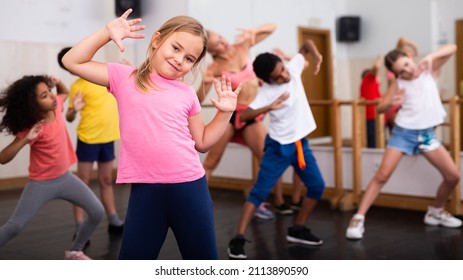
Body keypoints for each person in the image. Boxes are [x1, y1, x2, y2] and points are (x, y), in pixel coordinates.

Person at [62, 9, 240, 260]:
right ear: (157, 40)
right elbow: (72, 62)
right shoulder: (125, 77)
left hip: (190, 189)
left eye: (189, 58)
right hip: (145, 192)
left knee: (203, 262)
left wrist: (224, 114)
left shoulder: (187, 93)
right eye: (176, 48)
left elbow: (202, 142)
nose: (180, 60)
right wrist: (106, 33)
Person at [346, 44, 461, 240]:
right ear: (396, 74)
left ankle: (436, 211)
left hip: (426, 135)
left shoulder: (429, 70)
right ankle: (358, 218)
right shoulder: (398, 83)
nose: (407, 71)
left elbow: (453, 47)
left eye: (407, 64)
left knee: (453, 177)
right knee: (382, 175)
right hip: (403, 134)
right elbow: (380, 108)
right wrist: (391, 102)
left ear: (410, 57)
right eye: (401, 71)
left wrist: (430, 56)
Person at [227, 39, 325, 260]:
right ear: (267, 80)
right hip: (278, 147)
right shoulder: (267, 92)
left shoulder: (293, 68)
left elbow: (307, 44)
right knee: (259, 192)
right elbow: (243, 116)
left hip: (301, 144)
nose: (283, 76)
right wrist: (269, 107)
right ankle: (238, 239)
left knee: (317, 187)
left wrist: (317, 56)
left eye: (281, 70)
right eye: (277, 77)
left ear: (283, 63)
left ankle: (298, 229)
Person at [0, 75, 104, 260]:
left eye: (48, 92)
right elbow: (3, 158)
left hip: (65, 178)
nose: (51, 96)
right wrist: (25, 139)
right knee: (15, 226)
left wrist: (57, 83)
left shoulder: (56, 106)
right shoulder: (32, 127)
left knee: (97, 212)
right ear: (33, 104)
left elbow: (64, 92)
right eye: (44, 96)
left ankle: (74, 252)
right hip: (41, 184)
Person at [197, 24, 294, 219]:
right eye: (217, 43)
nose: (223, 42)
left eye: (222, 37)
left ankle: (278, 201)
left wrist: (254, 30)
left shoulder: (242, 46)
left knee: (269, 160)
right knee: (211, 162)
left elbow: (273, 27)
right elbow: (198, 99)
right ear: (210, 50)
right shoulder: (214, 68)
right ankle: (197, 203)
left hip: (251, 114)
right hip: (230, 115)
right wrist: (206, 83)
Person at [57, 47, 124, 238]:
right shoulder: (77, 86)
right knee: (83, 182)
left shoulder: (105, 77)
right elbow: (69, 117)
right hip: (87, 138)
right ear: (69, 69)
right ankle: (79, 225)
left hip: (108, 137)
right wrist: (74, 109)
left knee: (105, 180)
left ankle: (113, 219)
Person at [384, 37, 419, 132]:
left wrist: (414, 46)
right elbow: (401, 40)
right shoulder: (395, 72)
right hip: (397, 102)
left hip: (412, 103)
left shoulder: (416, 70)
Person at [360, 55, 383, 148]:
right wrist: (379, 61)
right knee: (374, 143)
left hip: (373, 118)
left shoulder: (371, 86)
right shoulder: (369, 80)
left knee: (375, 141)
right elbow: (376, 68)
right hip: (372, 117)